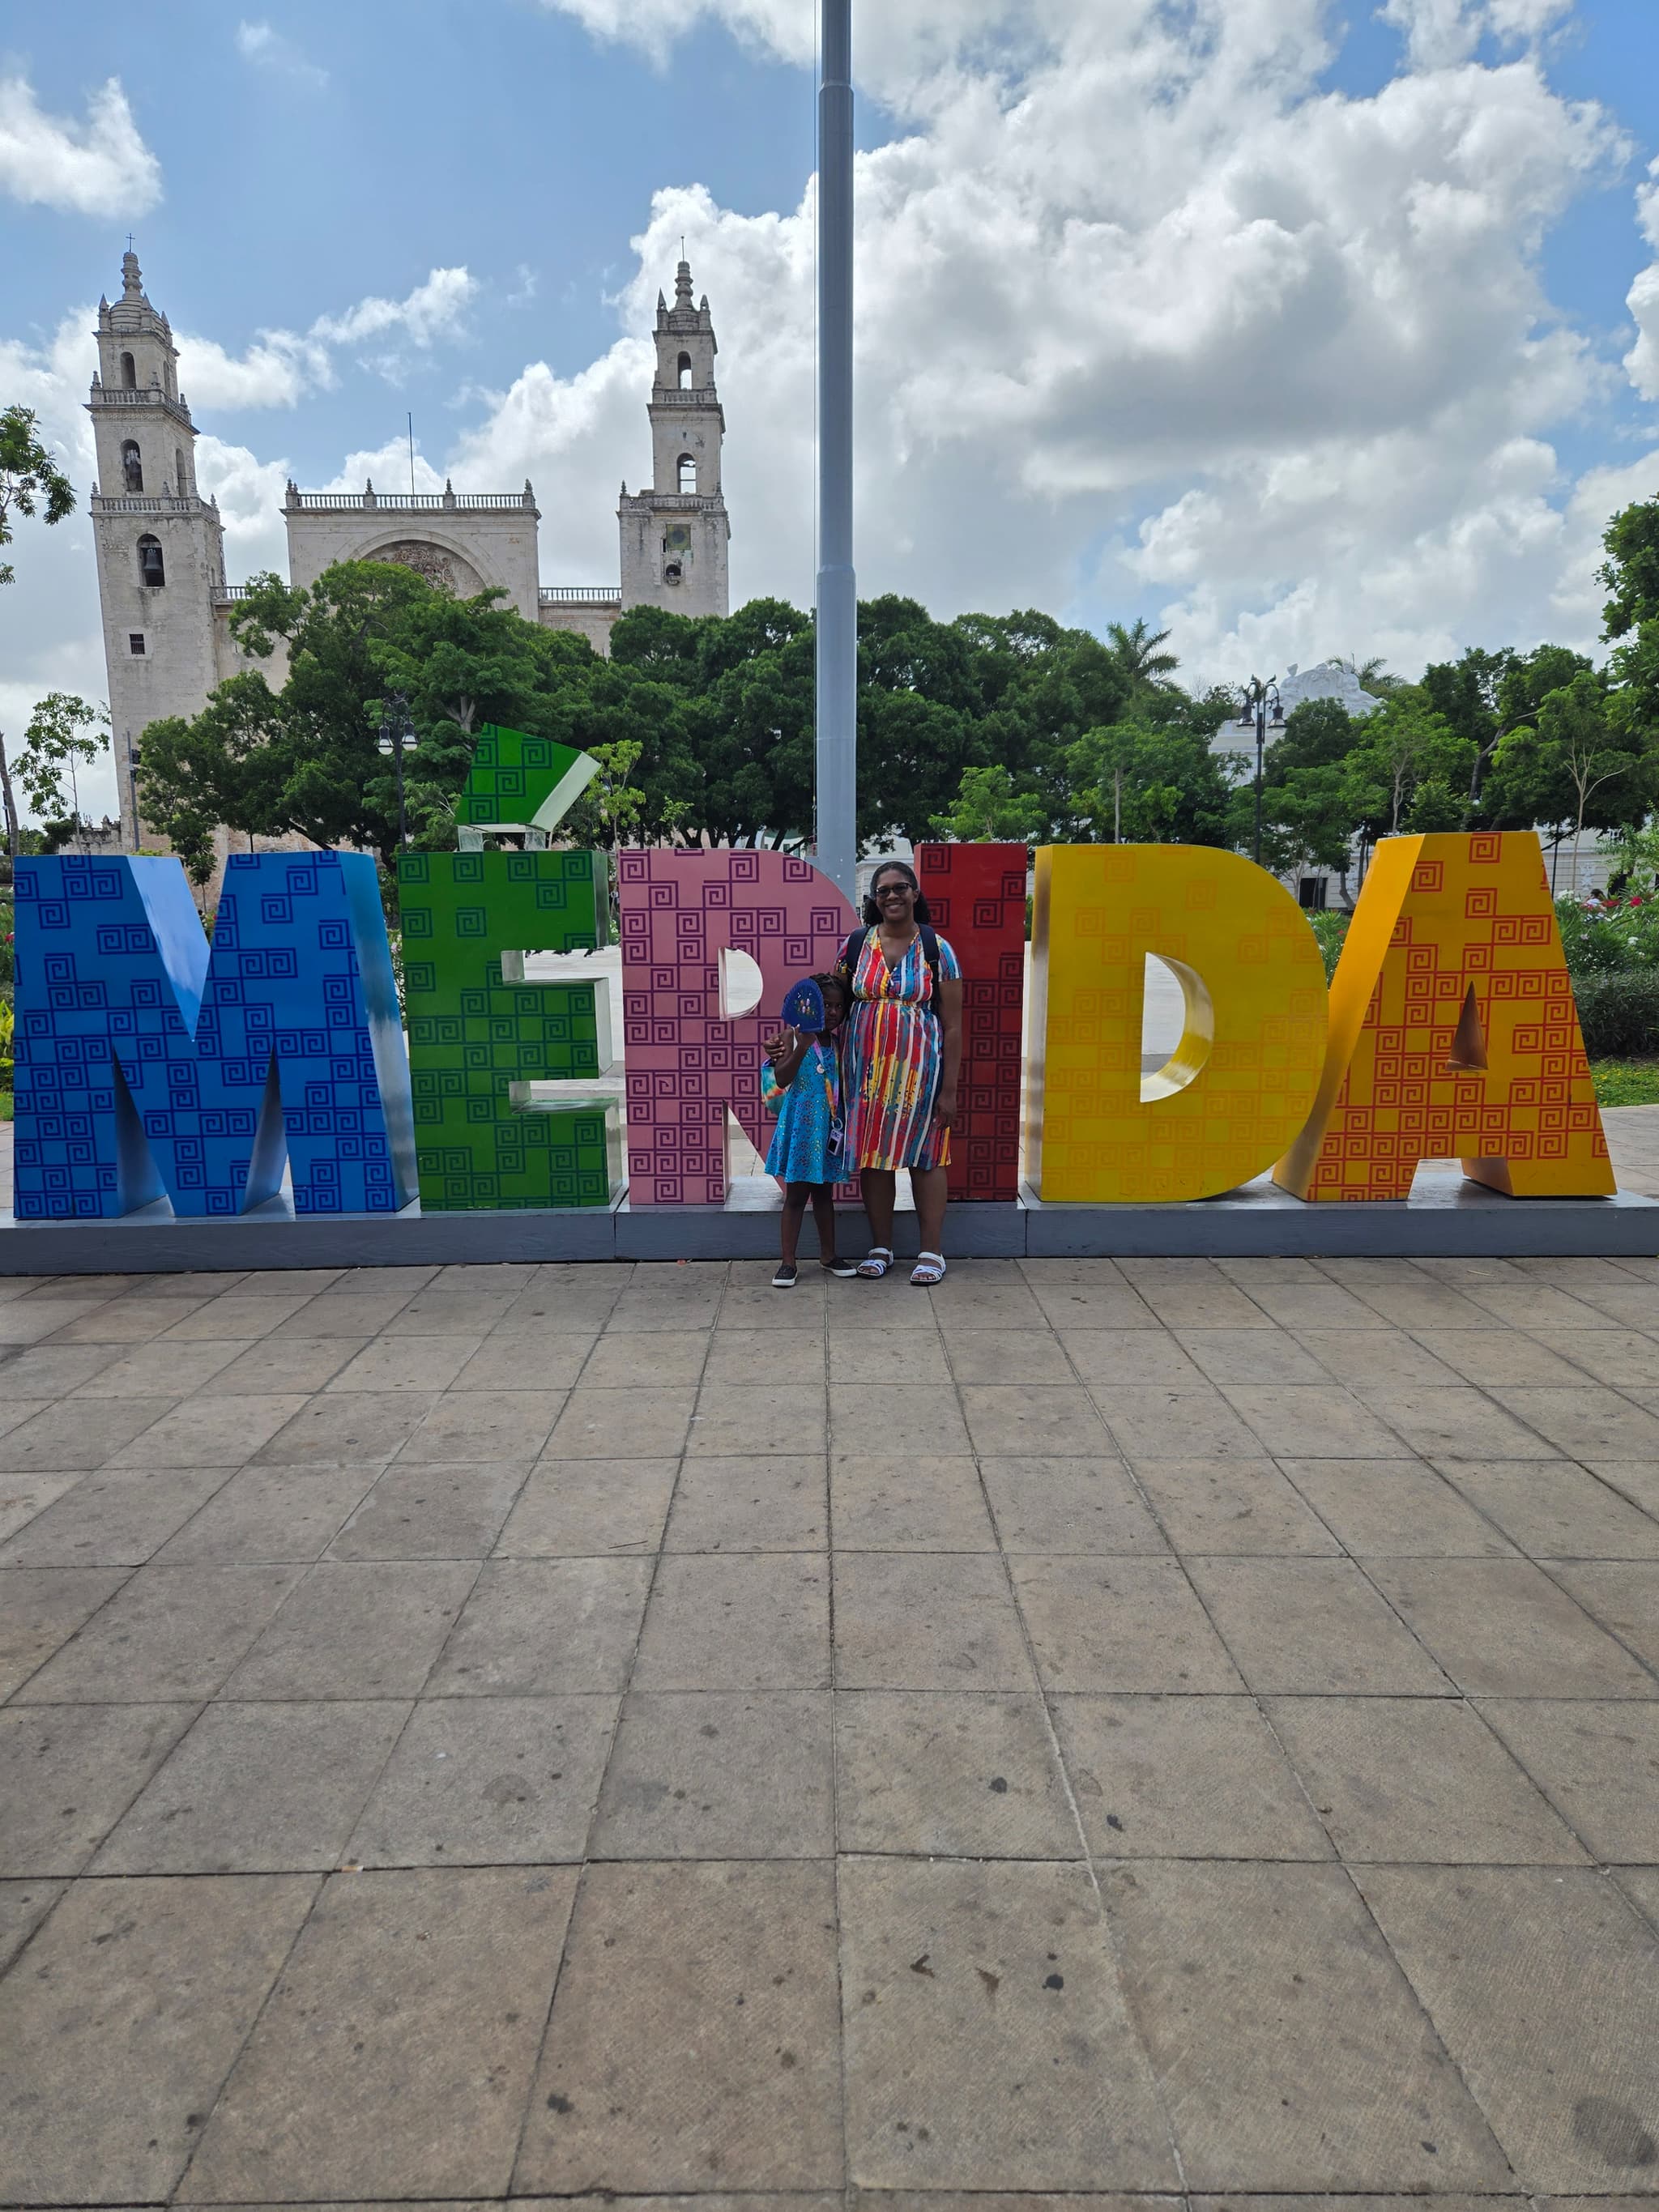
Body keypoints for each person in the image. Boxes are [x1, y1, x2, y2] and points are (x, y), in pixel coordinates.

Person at [837, 860, 964, 1285]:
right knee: (874, 1160)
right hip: (866, 1075)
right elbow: (831, 1005)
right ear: (873, 899)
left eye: (901, 888)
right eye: (884, 890)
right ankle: (881, 1248)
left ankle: (932, 1252)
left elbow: (953, 1025)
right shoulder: (855, 945)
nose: (892, 896)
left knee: (928, 1159)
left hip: (921, 1076)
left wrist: (949, 1090)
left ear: (915, 894)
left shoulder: (936, 949)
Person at [761, 972, 859, 1288]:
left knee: (825, 1195)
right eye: (825, 1005)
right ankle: (788, 1262)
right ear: (809, 1006)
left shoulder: (839, 1041)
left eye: (838, 1006)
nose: (832, 1012)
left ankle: (828, 1255)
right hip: (801, 1129)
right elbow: (781, 1079)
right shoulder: (793, 1036)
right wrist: (801, 1046)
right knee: (795, 1197)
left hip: (828, 1128)